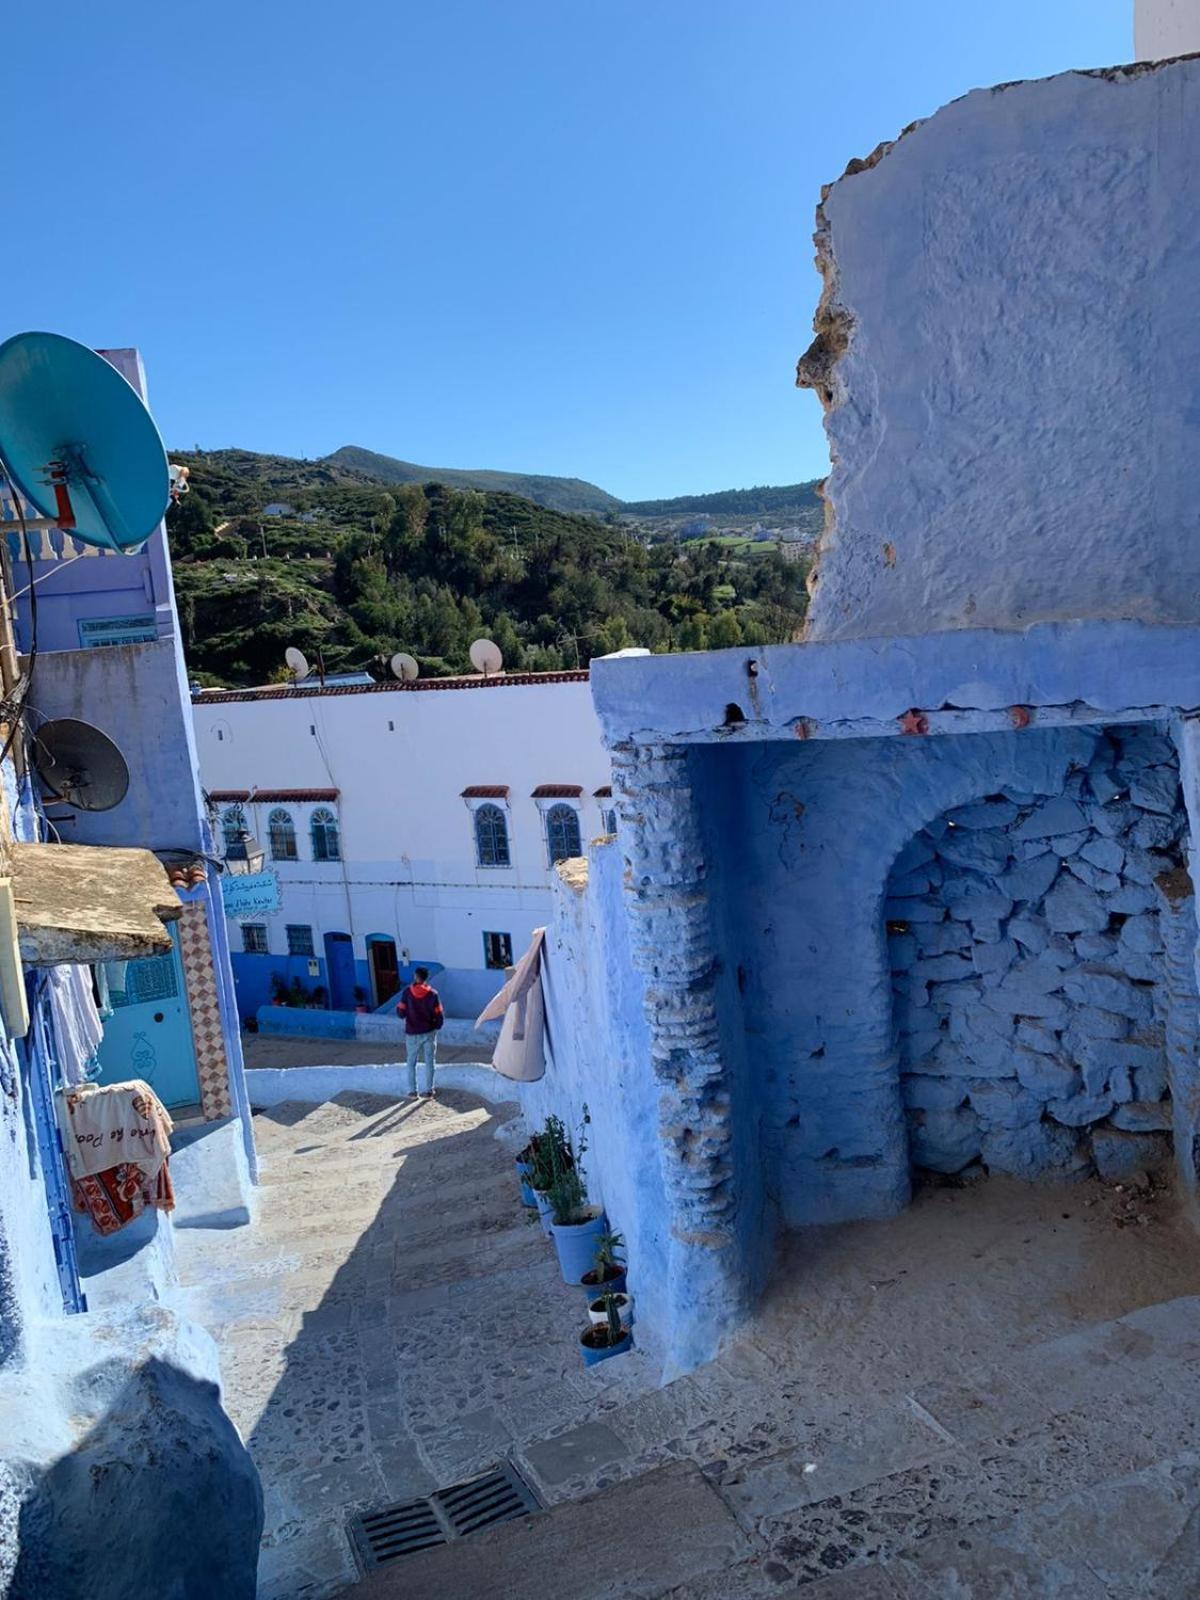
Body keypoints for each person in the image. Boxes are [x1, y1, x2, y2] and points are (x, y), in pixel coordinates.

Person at [397, 967, 443, 1099]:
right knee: (430, 1061)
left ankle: (412, 1091)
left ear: (416, 977)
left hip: (412, 1032)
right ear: (426, 978)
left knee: (411, 1062)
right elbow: (439, 1015)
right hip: (429, 1032)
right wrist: (436, 1027)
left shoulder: (407, 993)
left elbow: (400, 1012)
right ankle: (429, 1090)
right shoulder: (433, 994)